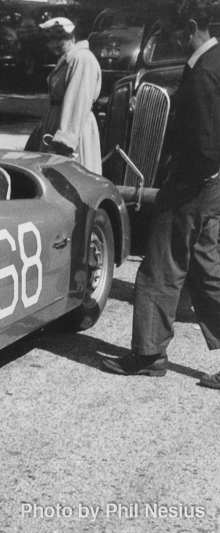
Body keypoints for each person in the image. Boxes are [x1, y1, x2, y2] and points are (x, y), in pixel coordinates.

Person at [102, 0, 220, 387]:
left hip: (193, 185)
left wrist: (180, 184)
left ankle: (149, 353)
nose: (176, 41)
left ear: (191, 28)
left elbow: (203, 145)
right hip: (214, 186)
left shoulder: (203, 74)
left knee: (159, 268)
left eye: (177, 35)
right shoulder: (216, 61)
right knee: (206, 271)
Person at [24, 17, 102, 175]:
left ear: (72, 37)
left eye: (60, 38)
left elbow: (78, 102)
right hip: (58, 123)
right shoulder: (68, 59)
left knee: (72, 176)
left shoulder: (82, 59)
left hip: (74, 128)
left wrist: (66, 140)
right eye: (50, 39)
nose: (54, 44)